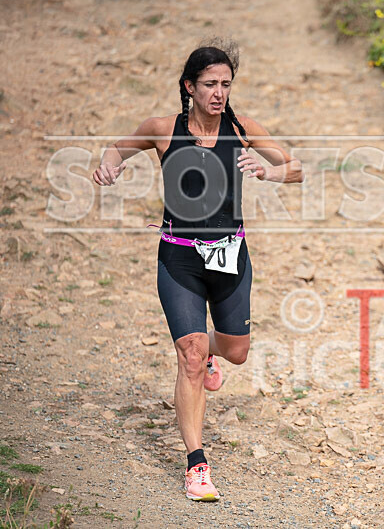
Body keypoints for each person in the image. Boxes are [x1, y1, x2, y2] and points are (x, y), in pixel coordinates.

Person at [92, 40, 304, 501]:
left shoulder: (243, 128)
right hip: (180, 257)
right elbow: (116, 149)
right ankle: (197, 465)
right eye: (210, 84)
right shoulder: (162, 130)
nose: (219, 93)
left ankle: (212, 351)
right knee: (188, 355)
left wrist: (269, 174)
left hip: (231, 256)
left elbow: (296, 167)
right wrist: (108, 169)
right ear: (189, 86)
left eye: (226, 84)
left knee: (237, 352)